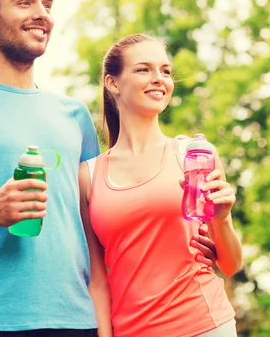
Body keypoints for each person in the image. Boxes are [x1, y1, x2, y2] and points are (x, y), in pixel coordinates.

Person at [0, 0, 216, 337]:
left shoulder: (74, 115)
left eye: (47, 4)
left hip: (78, 322)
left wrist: (195, 241)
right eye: (24, 2)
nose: (41, 13)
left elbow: (101, 228)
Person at [78, 34, 242, 337]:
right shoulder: (88, 175)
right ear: (112, 83)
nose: (159, 79)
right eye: (144, 70)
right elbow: (98, 280)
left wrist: (222, 218)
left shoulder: (194, 155)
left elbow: (231, 264)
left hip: (205, 325)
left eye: (165, 71)